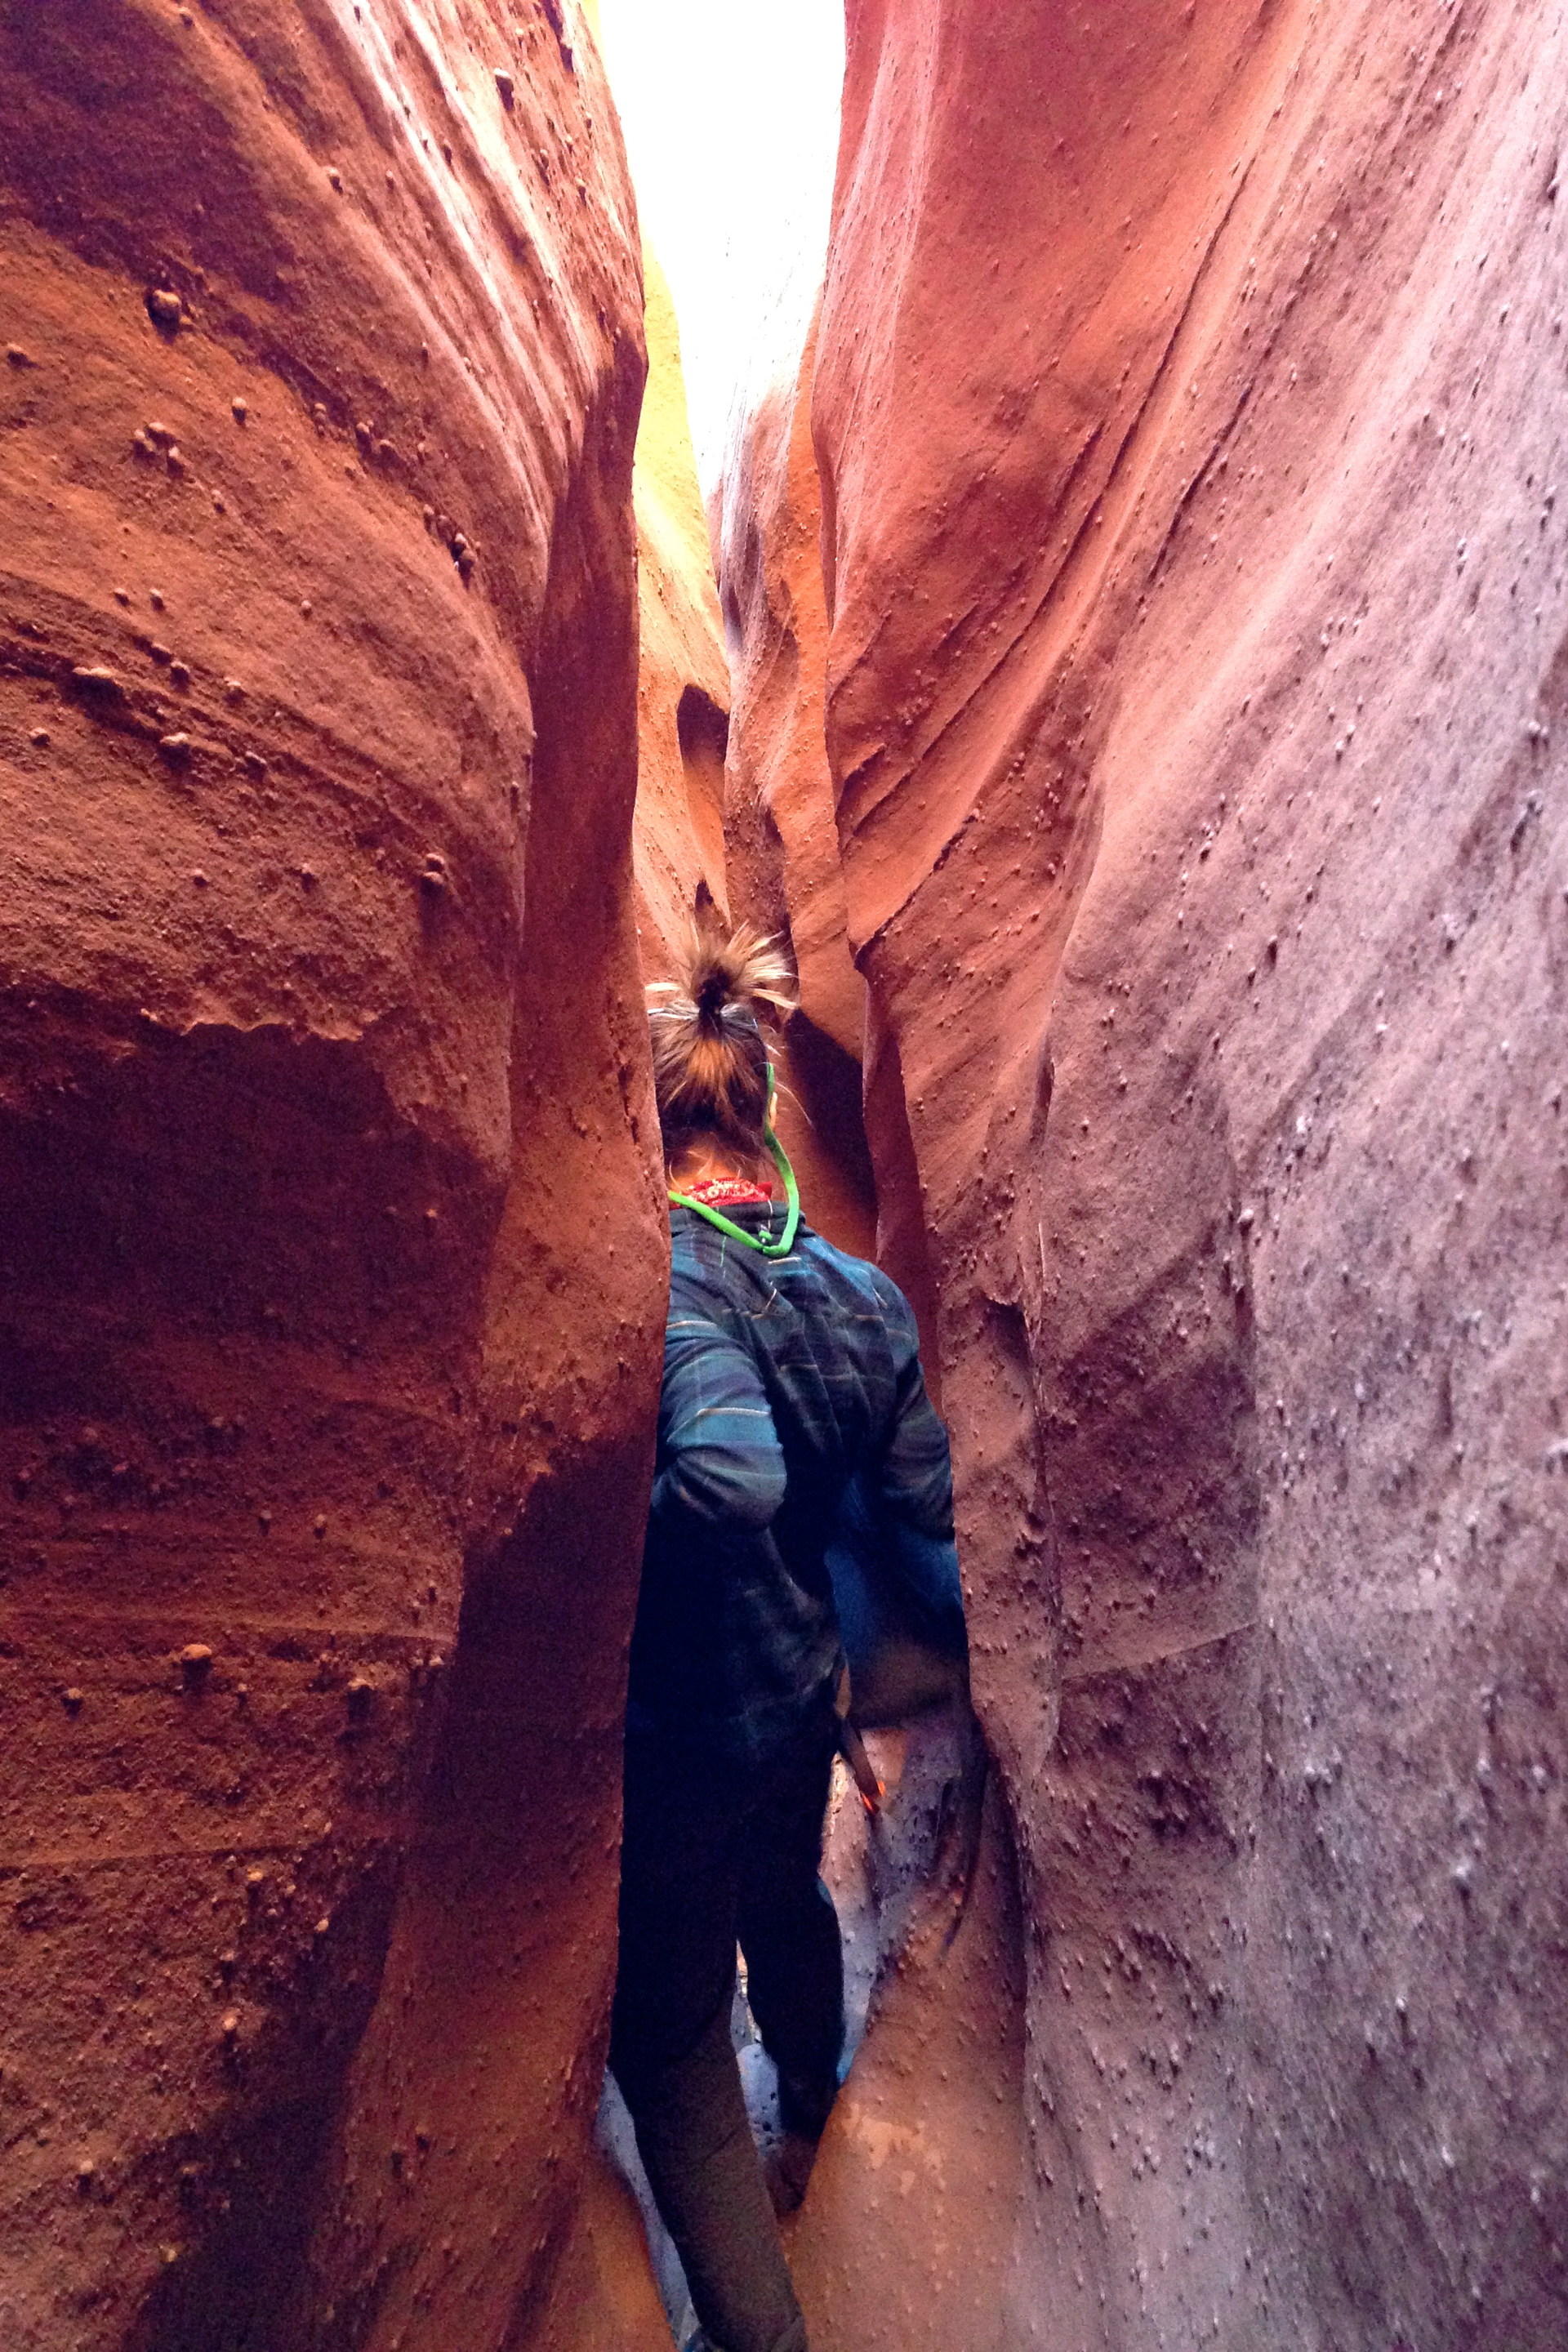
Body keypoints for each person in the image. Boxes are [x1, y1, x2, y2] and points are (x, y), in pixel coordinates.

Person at [609, 920, 964, 2352]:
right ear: (761, 1117)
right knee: (788, 1897)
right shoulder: (861, 1295)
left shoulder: (676, 1276)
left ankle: (763, 2336)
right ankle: (810, 2090)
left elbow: (730, 1473)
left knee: (676, 2045)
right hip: (803, 1688)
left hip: (683, 1725)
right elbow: (927, 1500)